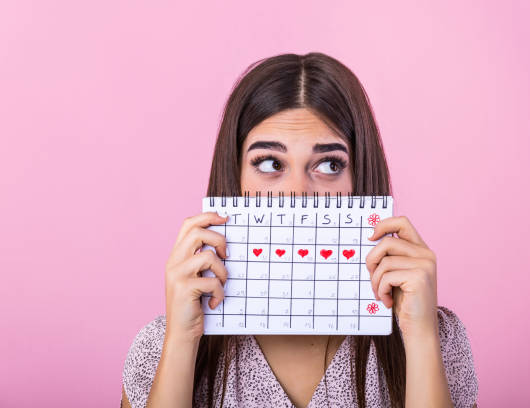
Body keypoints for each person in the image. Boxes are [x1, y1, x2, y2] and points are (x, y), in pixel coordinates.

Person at [121, 52, 478, 408]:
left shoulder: (435, 340)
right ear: (235, 178)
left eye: (328, 164)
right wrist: (182, 341)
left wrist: (420, 340)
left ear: (360, 181)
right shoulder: (161, 348)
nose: (297, 192)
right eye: (271, 163)